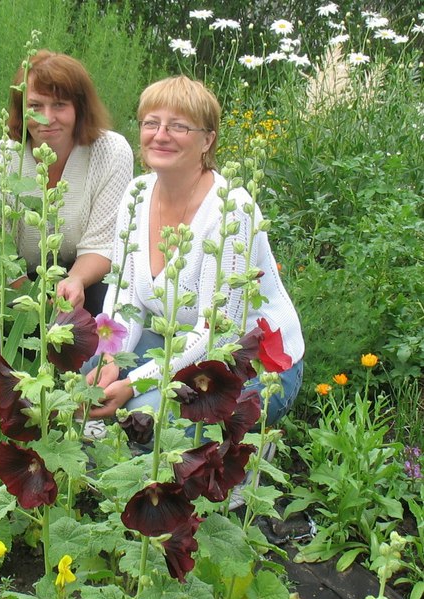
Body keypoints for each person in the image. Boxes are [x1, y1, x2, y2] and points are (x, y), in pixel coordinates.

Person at [85, 75, 304, 429]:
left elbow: (219, 336)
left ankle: (244, 460)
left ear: (208, 140)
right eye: (151, 123)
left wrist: (133, 382)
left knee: (148, 419)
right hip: (176, 344)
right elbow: (125, 297)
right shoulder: (137, 193)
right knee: (90, 377)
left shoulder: (231, 210)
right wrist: (112, 359)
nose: (160, 134)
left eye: (179, 126)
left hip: (249, 367)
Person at [0, 50, 134, 316]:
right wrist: (36, 304)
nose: (47, 118)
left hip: (87, 278)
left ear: (80, 108)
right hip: (16, 282)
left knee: (108, 297)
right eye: (35, 106)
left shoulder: (111, 153)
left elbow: (104, 243)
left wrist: (75, 281)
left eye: (59, 105)